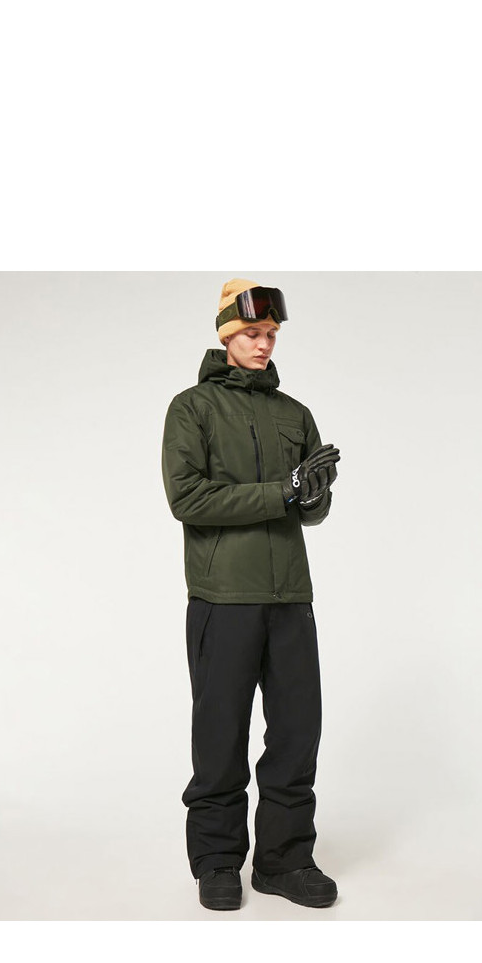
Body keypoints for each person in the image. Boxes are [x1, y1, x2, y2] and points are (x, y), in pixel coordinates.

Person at [161, 278, 342, 911]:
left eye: (271, 334)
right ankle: (217, 860)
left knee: (297, 731)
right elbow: (189, 498)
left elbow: (310, 512)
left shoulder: (295, 414)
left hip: (290, 596)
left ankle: (283, 861)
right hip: (223, 596)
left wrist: (313, 495)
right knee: (220, 733)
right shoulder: (192, 409)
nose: (264, 344)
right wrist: (281, 492)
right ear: (226, 336)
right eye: (252, 334)